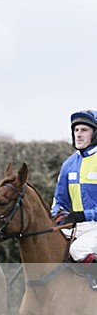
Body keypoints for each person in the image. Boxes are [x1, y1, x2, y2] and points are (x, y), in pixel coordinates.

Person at [52, 109, 97, 263]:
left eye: (84, 130)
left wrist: (86, 215)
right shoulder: (68, 164)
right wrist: (58, 215)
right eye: (76, 130)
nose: (78, 134)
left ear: (95, 134)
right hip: (78, 226)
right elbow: (60, 200)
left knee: (79, 250)